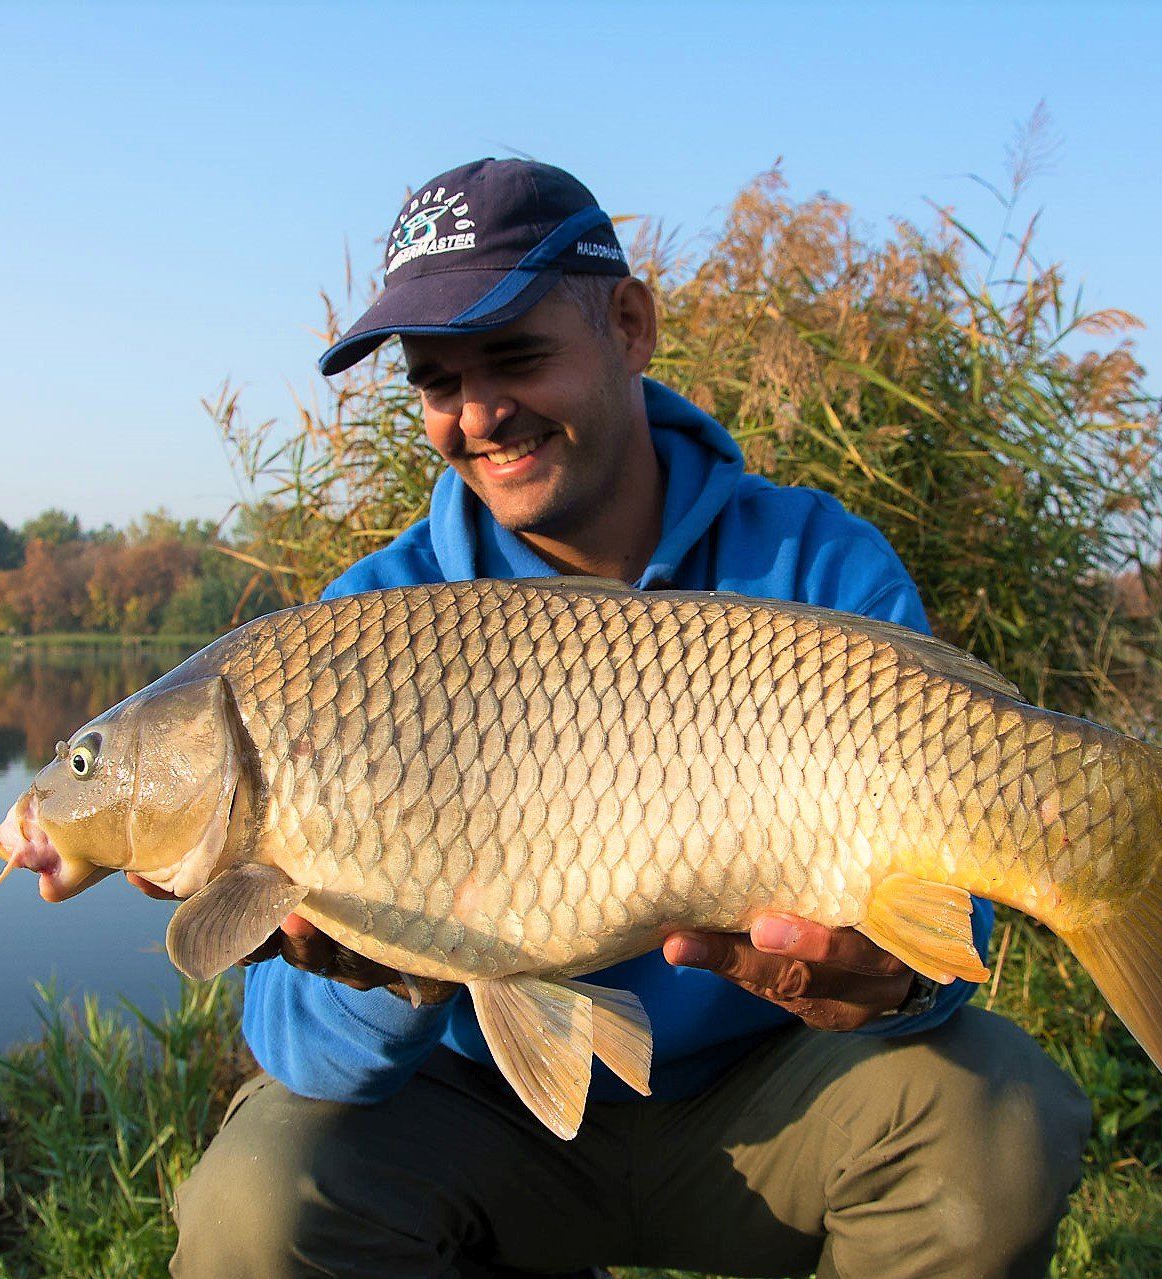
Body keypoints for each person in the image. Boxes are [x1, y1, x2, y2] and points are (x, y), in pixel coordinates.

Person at [155, 158, 1090, 1279]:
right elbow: (296, 1052)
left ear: (631, 324)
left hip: (770, 1101)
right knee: (258, 1202)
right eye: (436, 380)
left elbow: (948, 948)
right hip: (494, 1128)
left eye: (516, 356)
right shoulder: (362, 629)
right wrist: (400, 973)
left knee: (994, 1114)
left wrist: (883, 983)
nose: (478, 413)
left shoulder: (814, 565)